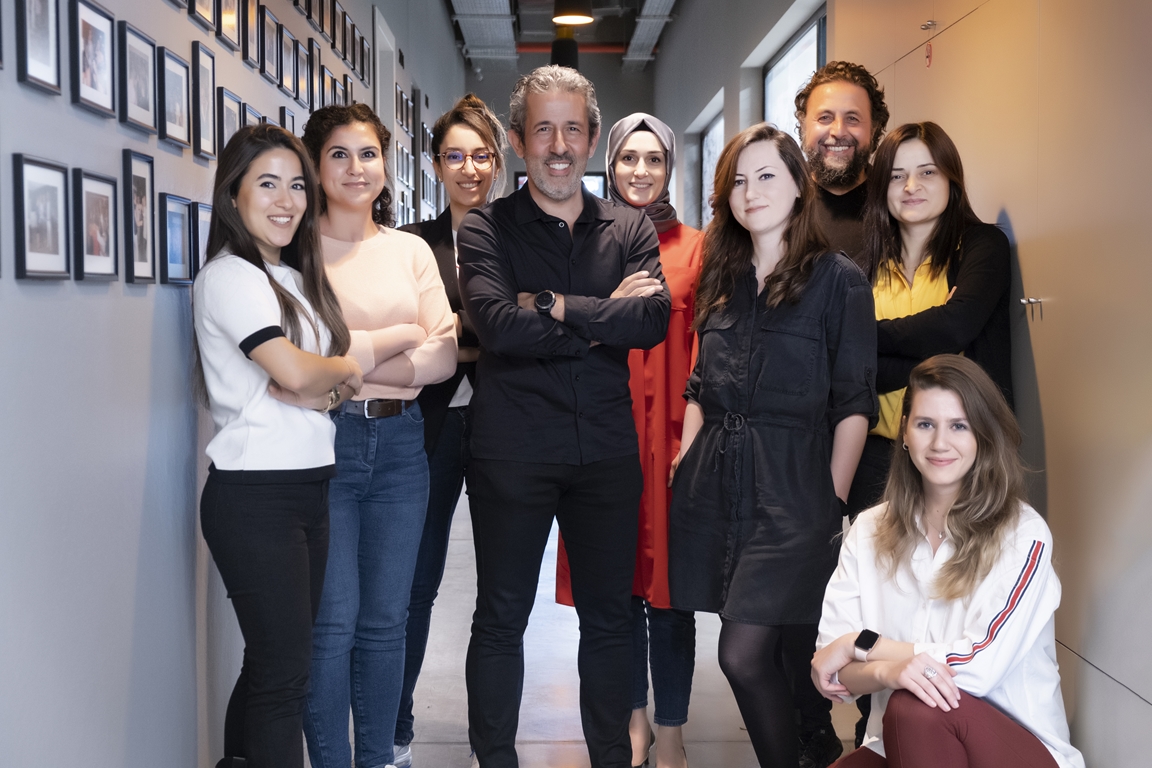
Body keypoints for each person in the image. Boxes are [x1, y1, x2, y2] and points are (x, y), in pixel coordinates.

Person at [457, 65, 671, 768]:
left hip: (605, 452)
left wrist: (550, 304)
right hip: (512, 451)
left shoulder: (629, 226)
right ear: (519, 141)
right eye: (543, 129)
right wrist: (602, 321)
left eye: (572, 129)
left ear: (591, 139)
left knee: (610, 620)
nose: (558, 145)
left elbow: (650, 321)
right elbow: (496, 326)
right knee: (501, 617)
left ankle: (613, 758)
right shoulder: (485, 227)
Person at [667, 123, 875, 768]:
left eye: (766, 176)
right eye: (738, 181)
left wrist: (830, 500)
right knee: (764, 652)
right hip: (715, 486)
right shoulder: (721, 275)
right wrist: (686, 458)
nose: (751, 192)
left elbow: (854, 402)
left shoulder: (838, 280)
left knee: (742, 654)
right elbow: (699, 384)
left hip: (795, 495)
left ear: (798, 186)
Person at [812, 354, 1085, 768]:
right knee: (908, 707)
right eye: (926, 424)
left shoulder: (1023, 534)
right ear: (905, 431)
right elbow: (833, 667)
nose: (940, 443)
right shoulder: (868, 531)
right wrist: (886, 672)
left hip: (1014, 748)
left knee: (915, 706)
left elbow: (977, 669)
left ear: (983, 436)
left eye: (959, 426)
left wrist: (863, 645)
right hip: (901, 744)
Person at [193, 123, 363, 768]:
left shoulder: (287, 277)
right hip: (255, 495)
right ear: (232, 194)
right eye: (268, 184)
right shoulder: (229, 276)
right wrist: (344, 372)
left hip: (307, 485)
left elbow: (313, 382)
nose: (287, 201)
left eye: (297, 185)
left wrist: (326, 380)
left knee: (273, 667)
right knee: (285, 675)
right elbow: (295, 372)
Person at [300, 103, 457, 768]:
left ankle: (379, 759)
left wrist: (349, 362)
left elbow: (444, 355)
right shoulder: (295, 252)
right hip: (323, 446)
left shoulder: (409, 250)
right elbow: (302, 357)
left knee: (386, 623)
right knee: (332, 624)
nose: (356, 168)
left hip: (401, 446)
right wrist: (400, 341)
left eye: (368, 153)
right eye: (338, 154)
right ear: (315, 165)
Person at [553, 112, 702, 768]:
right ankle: (633, 721)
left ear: (670, 167)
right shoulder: (581, 244)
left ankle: (671, 731)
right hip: (604, 435)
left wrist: (693, 440)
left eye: (654, 159)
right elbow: (560, 332)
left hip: (672, 440)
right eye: (628, 159)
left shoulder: (698, 249)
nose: (641, 171)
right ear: (609, 166)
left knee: (671, 594)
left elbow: (708, 351)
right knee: (615, 592)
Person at [392, 93, 508, 768]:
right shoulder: (411, 244)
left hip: (504, 427)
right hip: (426, 428)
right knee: (415, 586)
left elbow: (524, 333)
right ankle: (397, 728)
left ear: (498, 161)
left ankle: (490, 742)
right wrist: (485, 330)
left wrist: (453, 334)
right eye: (455, 156)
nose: (469, 168)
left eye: (481, 155)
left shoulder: (522, 237)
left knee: (499, 595)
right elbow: (409, 333)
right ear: (435, 164)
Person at [846, 121, 1012, 532]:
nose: (910, 186)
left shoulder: (982, 247)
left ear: (951, 179)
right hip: (875, 458)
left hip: (959, 450)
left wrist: (865, 336)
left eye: (927, 172)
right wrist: (939, 351)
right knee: (880, 568)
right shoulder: (861, 267)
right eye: (896, 176)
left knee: (957, 567)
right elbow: (846, 368)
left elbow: (955, 328)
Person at [795, 61, 890, 273]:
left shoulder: (896, 200)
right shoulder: (781, 202)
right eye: (825, 118)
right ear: (803, 125)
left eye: (852, 119)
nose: (838, 131)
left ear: (874, 128)